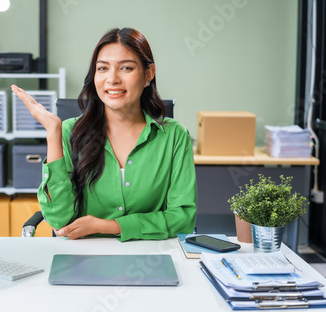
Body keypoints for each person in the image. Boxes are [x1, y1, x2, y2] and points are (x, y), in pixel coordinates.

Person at [11, 27, 196, 241]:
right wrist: (53, 132)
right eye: (102, 69)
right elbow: (59, 220)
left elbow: (182, 217)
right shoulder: (69, 132)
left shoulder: (174, 136)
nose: (112, 79)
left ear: (148, 74)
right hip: (83, 259)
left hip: (150, 257)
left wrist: (112, 226)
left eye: (126, 68)